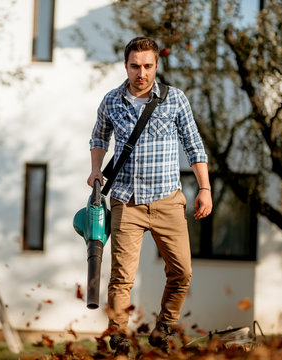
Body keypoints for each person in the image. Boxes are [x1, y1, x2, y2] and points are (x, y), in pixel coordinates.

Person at [87, 37, 212, 355]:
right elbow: (99, 135)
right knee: (121, 277)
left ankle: (164, 328)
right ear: (125, 66)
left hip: (168, 199)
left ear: (156, 65)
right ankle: (118, 339)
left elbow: (194, 144)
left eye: (147, 66)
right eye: (134, 66)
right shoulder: (112, 101)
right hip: (126, 202)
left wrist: (205, 188)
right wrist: (96, 168)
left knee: (182, 272)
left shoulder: (175, 99)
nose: (141, 73)